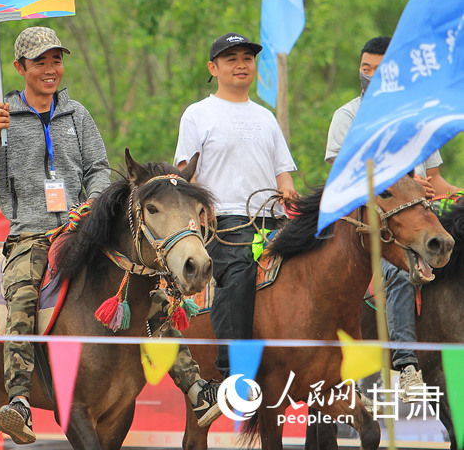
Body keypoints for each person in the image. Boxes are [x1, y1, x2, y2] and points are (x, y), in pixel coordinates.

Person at [0, 26, 110, 444]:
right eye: (40, 62)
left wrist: (92, 203)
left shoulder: (78, 114)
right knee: (22, 299)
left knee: (140, 278)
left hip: (81, 230)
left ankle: (194, 384)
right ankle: (20, 401)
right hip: (29, 234)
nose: (50, 69)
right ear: (19, 67)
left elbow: (99, 169)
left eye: (56, 60)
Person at [325, 35, 460, 401]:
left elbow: (436, 181)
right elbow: (343, 178)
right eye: (365, 69)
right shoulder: (347, 116)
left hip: (422, 216)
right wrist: (405, 188)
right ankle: (408, 364)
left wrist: (456, 193)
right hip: (376, 221)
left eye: (379, 70)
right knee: (401, 271)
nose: (370, 76)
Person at [174, 32, 298, 381]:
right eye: (231, 59)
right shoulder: (197, 114)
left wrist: (288, 190)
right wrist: (200, 209)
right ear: (213, 68)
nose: (241, 65)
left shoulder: (266, 117)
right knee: (240, 273)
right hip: (224, 221)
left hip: (272, 218)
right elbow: (185, 176)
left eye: (247, 58)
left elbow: (283, 172)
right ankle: (235, 370)